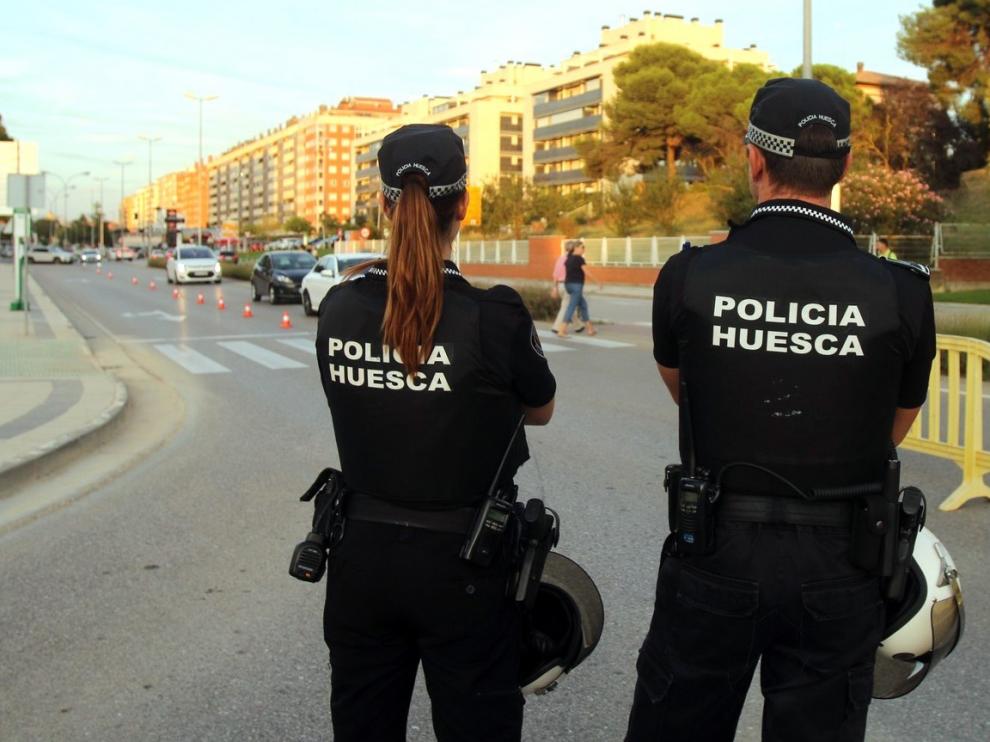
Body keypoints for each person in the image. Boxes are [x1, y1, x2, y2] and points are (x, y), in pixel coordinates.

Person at [625, 78, 935, 742]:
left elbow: (688, 391)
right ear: (844, 167)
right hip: (842, 560)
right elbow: (891, 427)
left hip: (714, 547)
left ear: (754, 160)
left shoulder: (689, 276)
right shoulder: (902, 291)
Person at [314, 123, 556, 742]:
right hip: (466, 567)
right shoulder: (494, 315)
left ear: (384, 204)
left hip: (360, 559)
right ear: (464, 206)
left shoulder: (340, 306)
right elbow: (541, 407)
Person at [559, 241, 602, 337]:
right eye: (582, 248)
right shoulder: (579, 259)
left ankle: (590, 329)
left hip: (568, 285)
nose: (583, 250)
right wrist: (597, 282)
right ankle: (561, 330)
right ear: (576, 248)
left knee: (583, 305)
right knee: (572, 306)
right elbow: (586, 272)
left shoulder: (568, 258)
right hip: (576, 286)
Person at [550, 240, 576, 334]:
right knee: (565, 306)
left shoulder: (560, 258)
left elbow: (555, 274)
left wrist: (555, 287)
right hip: (568, 285)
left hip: (560, 285)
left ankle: (579, 325)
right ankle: (556, 327)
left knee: (570, 305)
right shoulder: (573, 260)